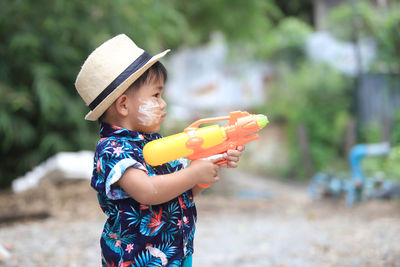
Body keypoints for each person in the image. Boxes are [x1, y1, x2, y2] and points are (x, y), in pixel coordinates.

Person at [75, 34, 243, 267]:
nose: (163, 103)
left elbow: (182, 191)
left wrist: (208, 165)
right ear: (123, 105)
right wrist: (193, 174)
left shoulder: (155, 144)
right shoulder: (113, 149)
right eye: (156, 95)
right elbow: (147, 191)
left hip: (177, 252)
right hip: (137, 260)